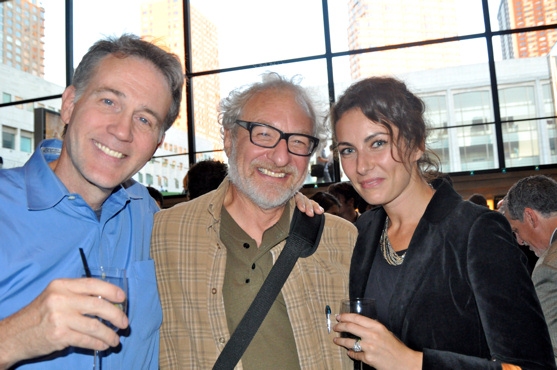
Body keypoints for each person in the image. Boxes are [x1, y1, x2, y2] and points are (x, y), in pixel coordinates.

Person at [329, 76, 555, 369]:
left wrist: (411, 362)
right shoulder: (362, 233)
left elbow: (533, 366)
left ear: (416, 145)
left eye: (378, 143)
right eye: (348, 150)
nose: (361, 165)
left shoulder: (476, 231)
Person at [0, 34, 184, 369]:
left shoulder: (146, 213)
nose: (122, 131)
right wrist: (13, 337)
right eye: (109, 102)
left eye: (144, 119)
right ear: (69, 104)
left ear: (157, 144)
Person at [151, 72, 357, 369]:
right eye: (263, 134)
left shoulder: (343, 240)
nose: (280, 158)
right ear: (229, 138)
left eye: (298, 142)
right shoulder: (162, 235)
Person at [504, 175, 557, 364]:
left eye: (517, 230)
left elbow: (551, 351)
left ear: (530, 217)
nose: (520, 242)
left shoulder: (548, 268)